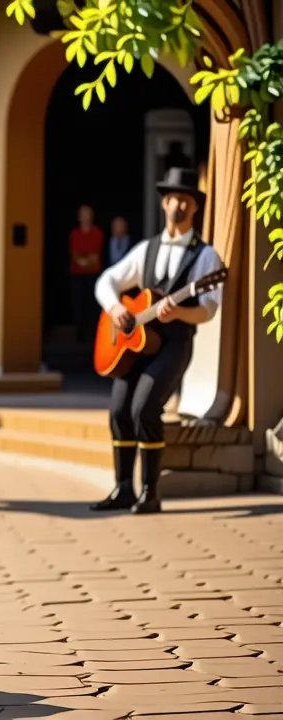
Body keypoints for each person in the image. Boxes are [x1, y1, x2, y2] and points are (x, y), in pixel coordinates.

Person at [91, 167, 224, 515]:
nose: (177, 205)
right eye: (171, 199)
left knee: (144, 408)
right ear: (163, 204)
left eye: (185, 199)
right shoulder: (145, 249)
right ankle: (122, 488)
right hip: (134, 346)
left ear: (195, 207)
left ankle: (150, 491)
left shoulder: (205, 257)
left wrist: (179, 313)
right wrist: (117, 307)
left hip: (173, 345)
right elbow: (106, 280)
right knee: (119, 410)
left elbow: (208, 309)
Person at [70, 204, 105, 342]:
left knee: (94, 305)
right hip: (77, 275)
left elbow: (95, 255)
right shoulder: (74, 234)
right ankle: (78, 335)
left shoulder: (98, 233)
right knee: (78, 304)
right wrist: (83, 261)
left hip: (93, 274)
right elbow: (74, 254)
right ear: (79, 217)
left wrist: (85, 261)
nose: (85, 217)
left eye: (87, 214)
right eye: (82, 214)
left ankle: (96, 336)